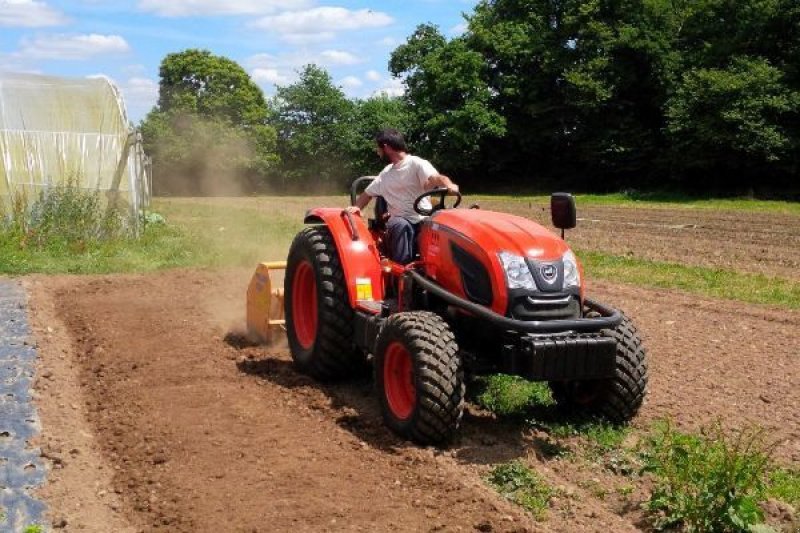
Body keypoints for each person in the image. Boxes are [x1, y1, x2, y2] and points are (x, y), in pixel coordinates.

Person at [349, 129, 459, 264]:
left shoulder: (416, 164)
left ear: (386, 147)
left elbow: (436, 178)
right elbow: (367, 194)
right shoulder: (386, 174)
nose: (377, 151)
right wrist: (357, 208)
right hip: (400, 222)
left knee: (446, 226)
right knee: (401, 224)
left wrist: (449, 184)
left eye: (378, 148)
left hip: (423, 218)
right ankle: (403, 271)